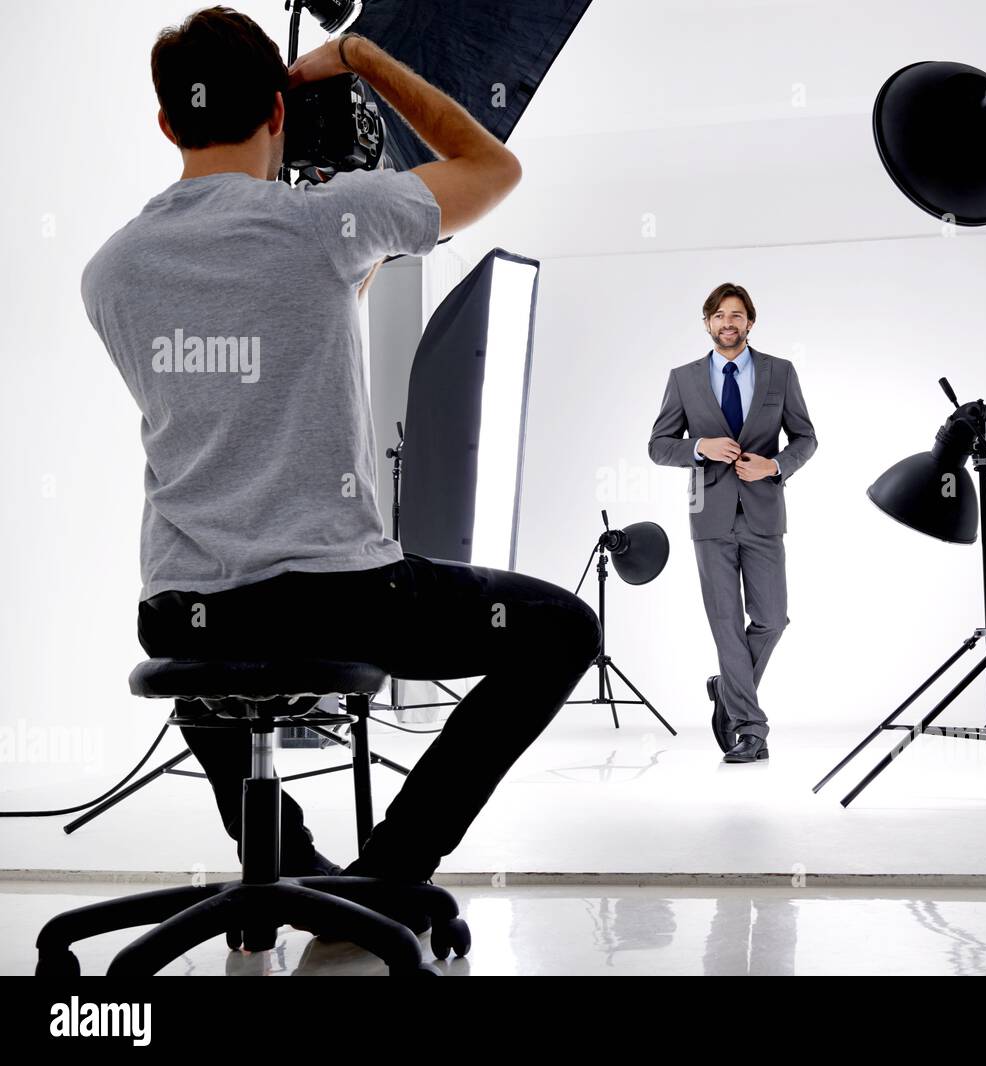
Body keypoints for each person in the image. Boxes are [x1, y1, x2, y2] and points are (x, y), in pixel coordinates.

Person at [82, 7, 600, 887]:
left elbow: (236, 375)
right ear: (279, 111)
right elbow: (492, 169)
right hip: (333, 597)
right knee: (562, 631)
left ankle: (293, 875)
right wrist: (364, 56)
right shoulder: (329, 222)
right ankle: (387, 878)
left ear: (168, 124)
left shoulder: (110, 269)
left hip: (181, 605)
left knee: (215, 665)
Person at [648, 283, 817, 763]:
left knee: (772, 617)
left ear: (750, 322)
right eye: (719, 315)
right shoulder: (683, 378)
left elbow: (806, 437)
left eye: (737, 315)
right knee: (725, 623)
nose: (728, 322)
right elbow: (659, 445)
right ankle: (750, 728)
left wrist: (775, 465)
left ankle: (727, 687)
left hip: (764, 510)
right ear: (707, 323)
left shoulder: (779, 372)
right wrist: (699, 447)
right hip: (710, 515)